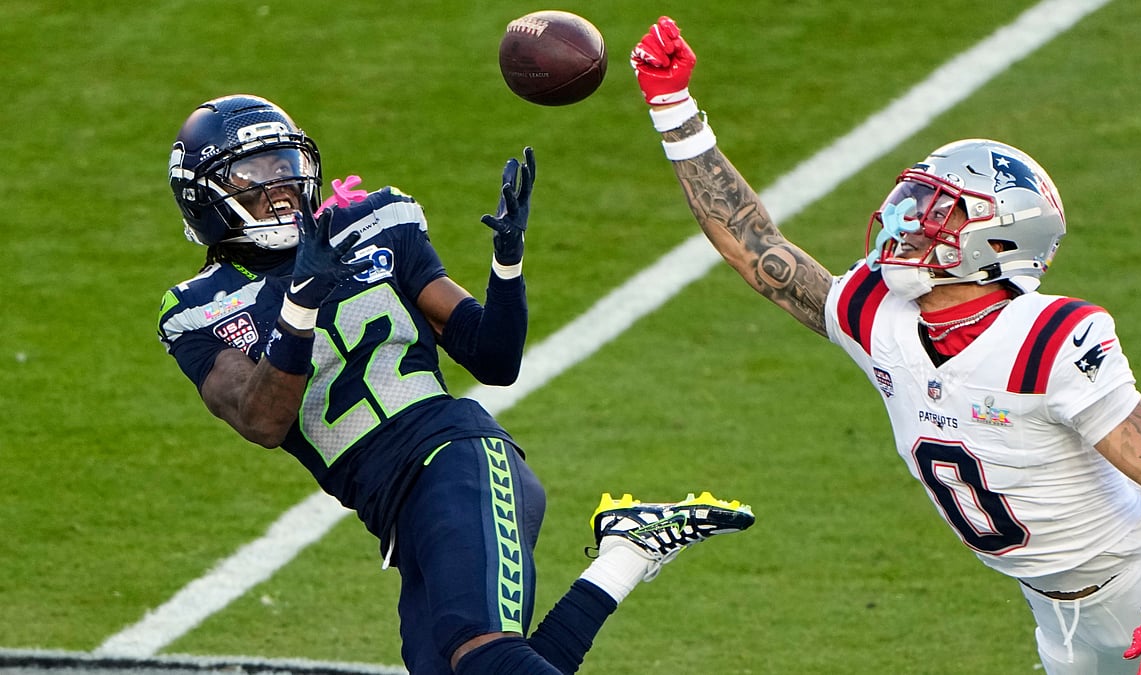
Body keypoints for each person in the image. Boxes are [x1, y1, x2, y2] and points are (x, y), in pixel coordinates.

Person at [629, 16, 1141, 675]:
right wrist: (675, 111)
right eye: (916, 199)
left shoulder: (1047, 340)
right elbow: (761, 252)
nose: (908, 219)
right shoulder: (878, 311)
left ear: (1001, 238)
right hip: (1053, 614)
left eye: (940, 209)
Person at [156, 94, 755, 674]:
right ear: (203, 195)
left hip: (455, 455)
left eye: (287, 166)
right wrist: (299, 308)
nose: (281, 185)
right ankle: (626, 555)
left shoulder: (373, 223)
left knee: (481, 650)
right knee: (478, 664)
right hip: (391, 507)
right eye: (255, 174)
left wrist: (507, 264)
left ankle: (629, 551)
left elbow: (492, 356)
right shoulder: (197, 309)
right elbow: (262, 420)